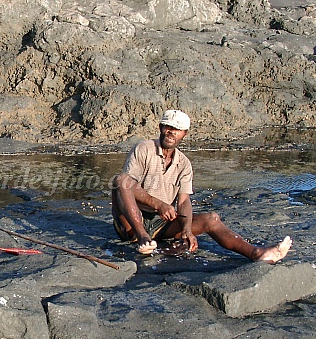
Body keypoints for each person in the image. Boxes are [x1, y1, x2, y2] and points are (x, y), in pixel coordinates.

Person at [111, 109, 292, 263]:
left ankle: (257, 253)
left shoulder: (184, 164)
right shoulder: (144, 149)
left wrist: (187, 230)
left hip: (161, 223)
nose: (171, 132)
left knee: (211, 219)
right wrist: (158, 205)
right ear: (160, 128)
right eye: (168, 127)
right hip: (131, 221)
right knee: (120, 180)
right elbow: (128, 185)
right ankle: (143, 237)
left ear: (184, 134)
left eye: (177, 130)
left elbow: (183, 201)